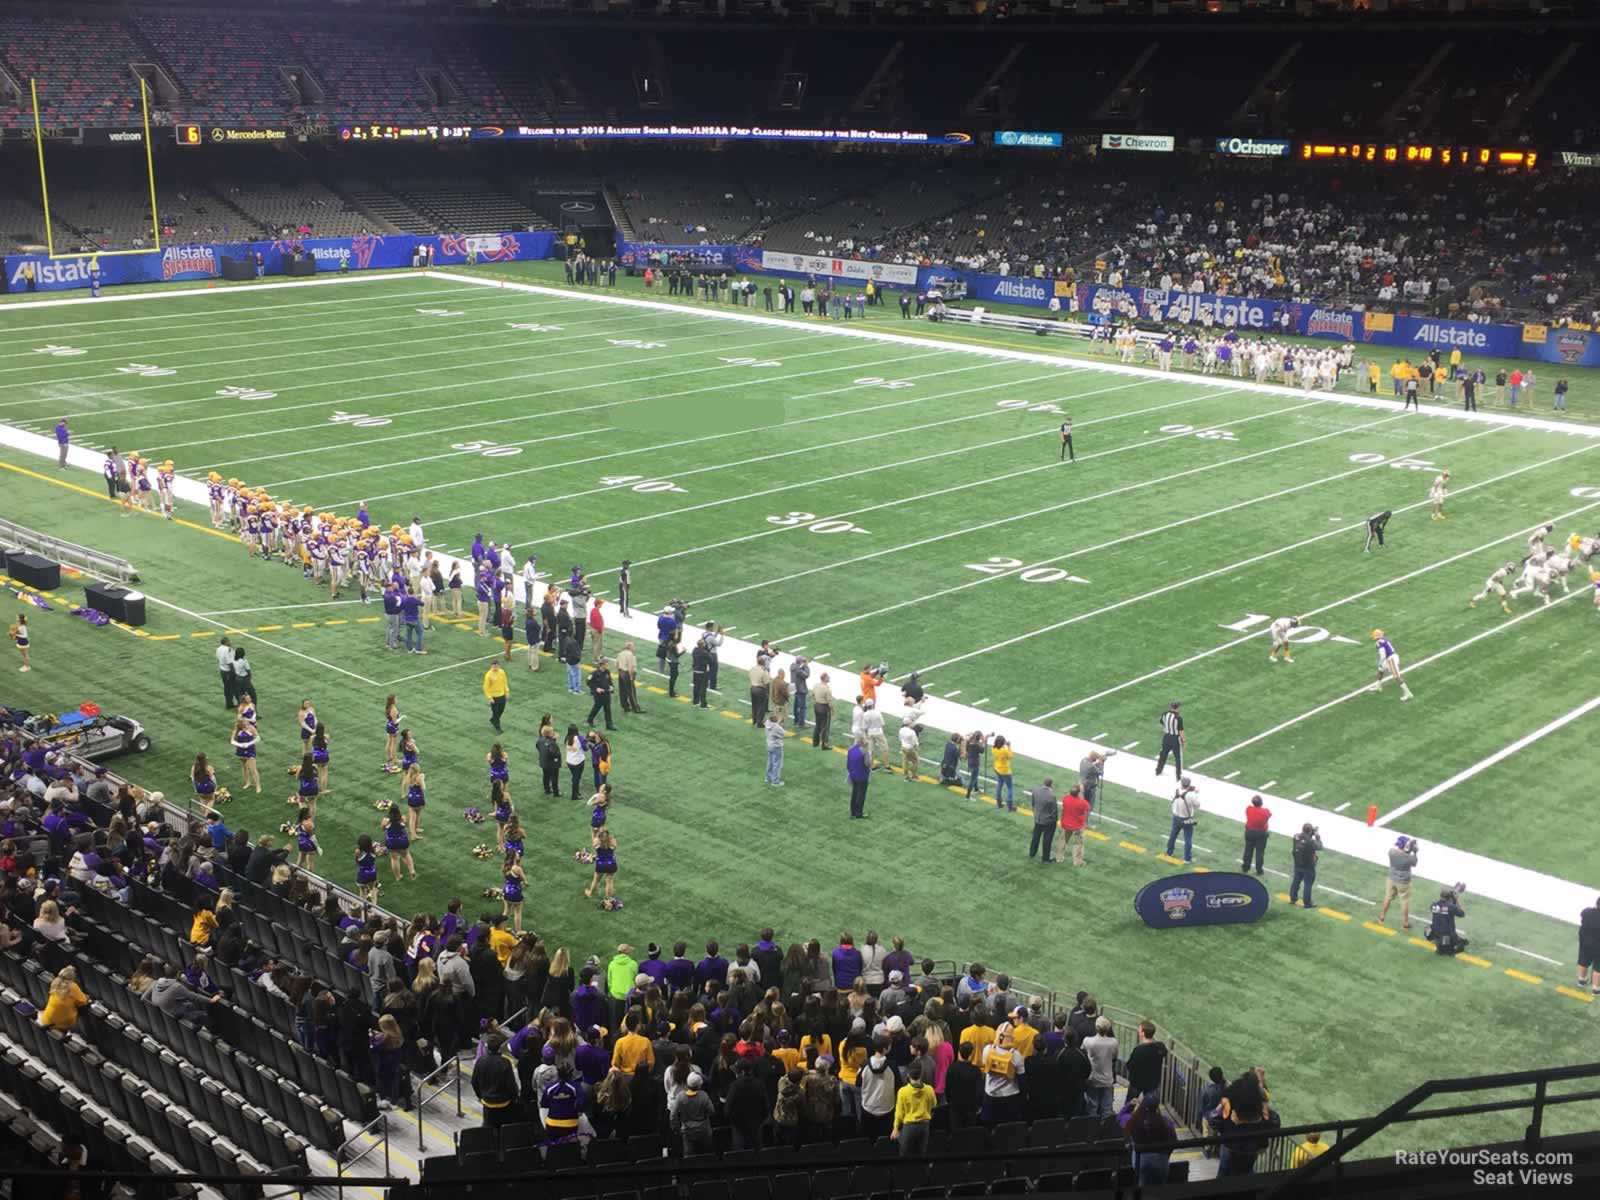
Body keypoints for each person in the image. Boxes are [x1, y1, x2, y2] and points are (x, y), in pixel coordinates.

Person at [1125, 1091, 1177, 1187]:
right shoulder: (1166, 1121)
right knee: (1160, 1191)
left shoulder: (1135, 1120)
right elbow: (1174, 1141)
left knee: (1143, 1190)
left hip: (1141, 1160)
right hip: (1161, 1160)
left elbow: (1129, 1139)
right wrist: (1165, 1156)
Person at [892, 1059, 936, 1155]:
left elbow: (899, 1113)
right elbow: (934, 1106)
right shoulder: (930, 1090)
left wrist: (895, 1128)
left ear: (908, 1075)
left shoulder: (902, 1092)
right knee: (921, 1155)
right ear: (921, 1074)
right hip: (924, 1127)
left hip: (909, 1127)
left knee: (905, 1156)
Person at [1377, 836, 1419, 929]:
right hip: (1403, 882)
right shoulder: (1408, 858)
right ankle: (1405, 923)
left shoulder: (1391, 852)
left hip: (1391, 879)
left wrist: (1408, 850)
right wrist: (1414, 852)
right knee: (1404, 901)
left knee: (1388, 898)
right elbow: (1415, 862)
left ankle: (1381, 917)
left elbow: (1401, 852)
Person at [1081, 1016, 1119, 1117]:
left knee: (1092, 1108)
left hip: (1092, 1079)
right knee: (1106, 1109)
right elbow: (1114, 1057)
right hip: (1107, 1079)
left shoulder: (1088, 1041)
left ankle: (1092, 1130)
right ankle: (1105, 1130)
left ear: (1096, 1027)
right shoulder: (1114, 1042)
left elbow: (1083, 1053)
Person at [1425, 886, 1469, 955]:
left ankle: (1439, 944)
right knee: (1463, 943)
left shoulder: (1433, 905)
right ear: (1449, 898)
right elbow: (1462, 913)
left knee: (1434, 927)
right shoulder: (1451, 907)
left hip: (1435, 934)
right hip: (1446, 936)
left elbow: (1442, 908)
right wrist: (1456, 900)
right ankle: (1448, 948)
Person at [1371, 629, 1413, 701]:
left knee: (1396, 676)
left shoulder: (1379, 643)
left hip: (1390, 659)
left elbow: (1383, 655)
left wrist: (1380, 662)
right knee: (1380, 670)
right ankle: (1378, 686)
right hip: (1390, 657)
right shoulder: (1384, 639)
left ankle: (1408, 693)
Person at [1165, 778, 1199, 863]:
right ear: (1189, 785)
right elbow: (1197, 805)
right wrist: (1195, 793)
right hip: (1186, 819)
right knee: (1188, 839)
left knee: (1173, 835)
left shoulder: (1176, 790)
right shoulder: (1191, 795)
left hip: (1176, 817)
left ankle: (1169, 852)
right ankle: (1187, 859)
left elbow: (1171, 799)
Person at [1289, 823, 1322, 908]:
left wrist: (1310, 833)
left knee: (1296, 881)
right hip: (1308, 866)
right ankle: (1307, 903)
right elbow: (1320, 846)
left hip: (1298, 864)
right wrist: (1317, 835)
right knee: (1308, 884)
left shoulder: (1296, 836)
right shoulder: (1311, 842)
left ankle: (1293, 898)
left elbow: (1303, 839)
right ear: (1310, 831)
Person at [1028, 778, 1058, 863]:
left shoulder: (1036, 790)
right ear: (1051, 785)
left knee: (1035, 837)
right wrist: (1054, 820)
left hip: (1038, 818)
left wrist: (1036, 814)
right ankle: (1045, 858)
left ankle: (1032, 853)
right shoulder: (1052, 796)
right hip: (1048, 821)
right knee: (1047, 840)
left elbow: (1033, 804)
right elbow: (1054, 811)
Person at [1577, 897, 1600, 998]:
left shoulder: (1586, 912)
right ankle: (1596, 988)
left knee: (1583, 961)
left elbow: (1582, 916)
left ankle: (1581, 980)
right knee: (1598, 967)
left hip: (1585, 943)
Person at [1241, 795, 1270, 875]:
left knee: (1248, 850)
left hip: (1249, 832)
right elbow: (1269, 815)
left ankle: (1245, 868)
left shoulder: (1249, 809)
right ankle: (1259, 870)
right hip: (1261, 833)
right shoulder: (1265, 811)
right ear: (1261, 803)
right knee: (1259, 852)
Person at [1155, 701, 1185, 776]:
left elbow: (1162, 723)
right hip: (1175, 739)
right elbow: (1181, 731)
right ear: (1177, 708)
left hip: (1166, 737)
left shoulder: (1165, 714)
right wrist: (1183, 741)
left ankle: (1158, 770)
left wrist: (1166, 730)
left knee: (1163, 755)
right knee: (1178, 757)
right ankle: (1178, 775)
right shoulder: (1178, 718)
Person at [586, 659, 616, 731]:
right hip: (598, 695)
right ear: (602, 665)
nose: (607, 665)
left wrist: (612, 686)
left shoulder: (607, 672)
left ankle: (609, 725)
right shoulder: (594, 673)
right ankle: (590, 719)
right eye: (606, 664)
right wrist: (596, 688)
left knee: (607, 709)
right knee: (597, 707)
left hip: (606, 693)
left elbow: (610, 681)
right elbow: (588, 681)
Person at [847, 735, 870, 818]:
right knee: (861, 795)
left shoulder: (851, 749)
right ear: (863, 742)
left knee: (854, 793)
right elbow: (867, 764)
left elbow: (848, 764)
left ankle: (853, 812)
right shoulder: (864, 751)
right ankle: (859, 813)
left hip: (853, 774)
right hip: (862, 776)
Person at [991, 735, 1014, 810]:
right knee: (1010, 787)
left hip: (997, 768)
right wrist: (1009, 746)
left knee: (999, 785)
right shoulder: (1004, 750)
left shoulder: (993, 748)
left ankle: (999, 803)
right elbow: (1010, 756)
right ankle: (1010, 805)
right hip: (1005, 771)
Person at [616, 642, 641, 712]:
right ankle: (635, 708)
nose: (634, 648)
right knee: (631, 692)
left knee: (622, 690)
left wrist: (619, 672)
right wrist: (631, 676)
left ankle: (625, 706)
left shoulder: (620, 653)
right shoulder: (630, 655)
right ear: (630, 647)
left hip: (621, 672)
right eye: (633, 646)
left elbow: (617, 663)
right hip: (627, 673)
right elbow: (631, 666)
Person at [764, 712, 786, 787]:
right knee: (777, 764)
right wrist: (780, 723)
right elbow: (783, 733)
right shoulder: (776, 727)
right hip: (776, 747)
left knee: (770, 762)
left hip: (769, 745)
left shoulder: (767, 723)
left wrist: (778, 722)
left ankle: (768, 777)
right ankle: (775, 781)